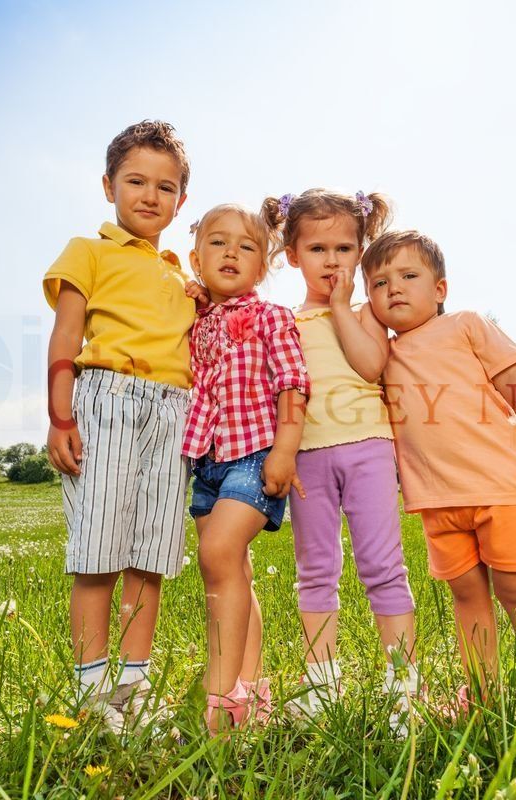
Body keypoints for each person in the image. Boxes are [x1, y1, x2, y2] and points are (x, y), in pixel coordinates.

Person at [362, 229, 516, 721]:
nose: (393, 288)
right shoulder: (379, 354)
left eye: (408, 276)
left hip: (499, 485)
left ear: (440, 289)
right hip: (437, 501)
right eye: (378, 283)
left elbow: (514, 379)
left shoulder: (465, 325)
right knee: (467, 595)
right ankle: (482, 696)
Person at [43, 120, 195, 733]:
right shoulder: (89, 250)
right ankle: (89, 689)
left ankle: (132, 688)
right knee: (99, 553)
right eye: (136, 180)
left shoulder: (184, 276)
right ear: (109, 185)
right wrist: (60, 415)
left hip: (173, 409)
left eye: (166, 186)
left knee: (150, 554)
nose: (150, 195)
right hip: (109, 398)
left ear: (181, 201)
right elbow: (65, 335)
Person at [261, 189, 420, 732]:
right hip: (306, 457)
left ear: (361, 252)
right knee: (316, 571)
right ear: (291, 256)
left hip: (369, 449)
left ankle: (403, 688)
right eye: (318, 249)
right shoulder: (282, 322)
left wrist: (337, 309)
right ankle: (321, 684)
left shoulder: (364, 313)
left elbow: (372, 365)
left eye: (345, 248)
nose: (332, 261)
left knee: (382, 566)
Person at [182, 203, 310, 732]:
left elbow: (293, 383)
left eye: (246, 245)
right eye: (217, 242)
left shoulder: (271, 318)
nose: (231, 251)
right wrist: (195, 302)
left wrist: (285, 449)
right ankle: (252, 691)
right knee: (233, 571)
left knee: (217, 554)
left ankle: (219, 696)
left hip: (256, 453)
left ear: (264, 267)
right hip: (208, 460)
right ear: (196, 258)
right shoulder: (197, 321)